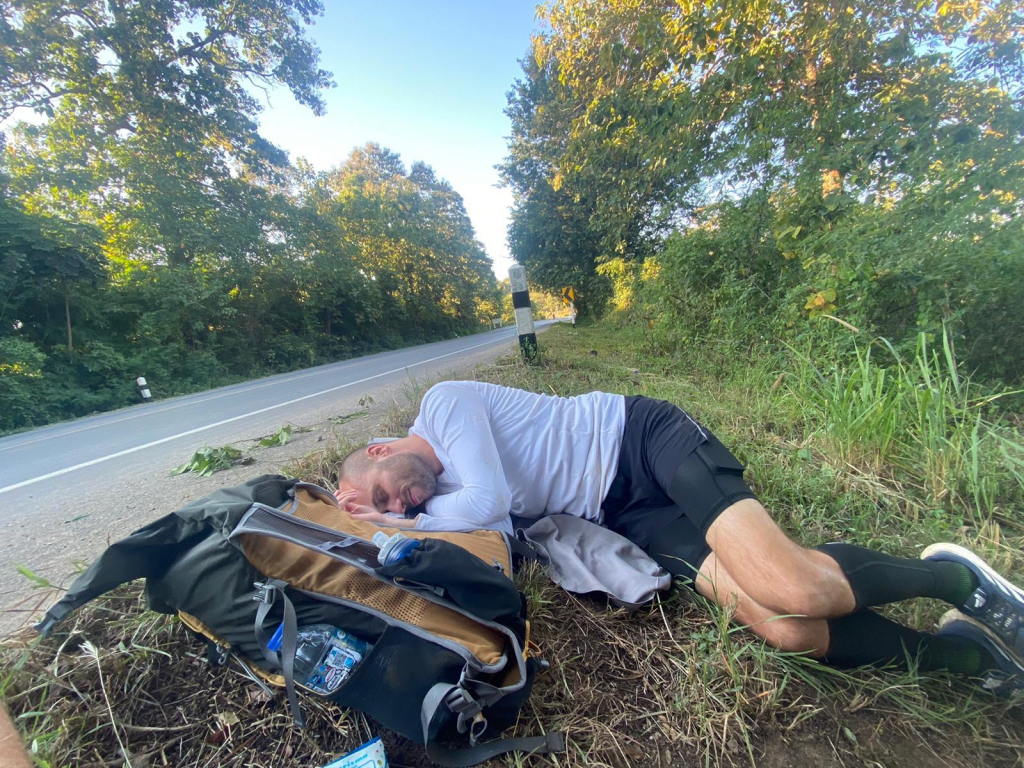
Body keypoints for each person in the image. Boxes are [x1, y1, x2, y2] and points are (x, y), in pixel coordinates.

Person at [335, 380, 1024, 694]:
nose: (404, 503)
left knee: (794, 585)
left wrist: (395, 520)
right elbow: (484, 527)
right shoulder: (444, 500)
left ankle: (958, 579)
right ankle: (959, 659)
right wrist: (372, 525)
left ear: (376, 447)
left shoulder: (444, 405)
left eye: (389, 492)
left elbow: (485, 500)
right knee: (784, 627)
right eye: (392, 507)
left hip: (642, 439)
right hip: (628, 512)